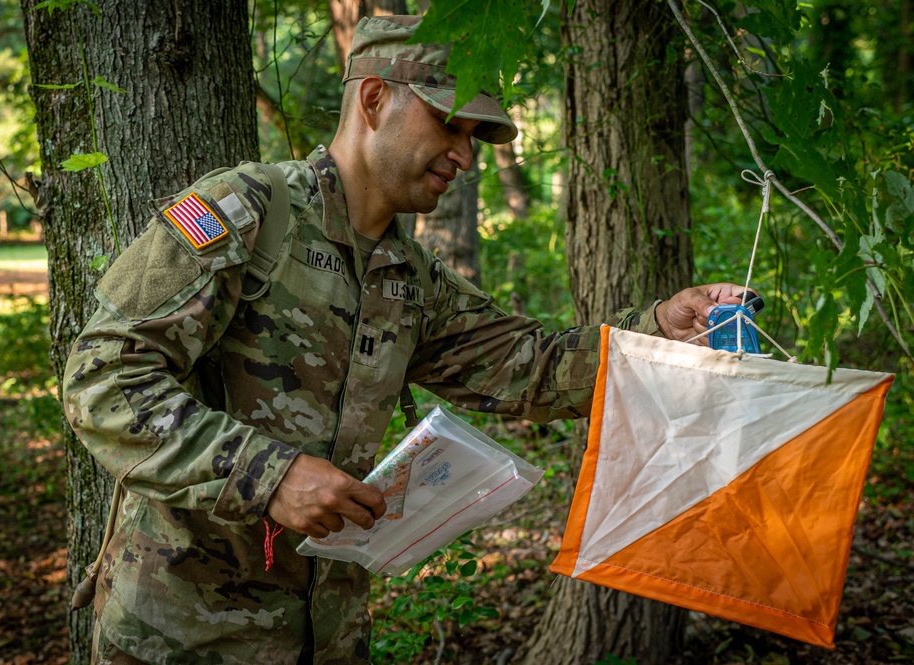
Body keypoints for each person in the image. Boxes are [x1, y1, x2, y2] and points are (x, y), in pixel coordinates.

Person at [62, 14, 747, 665]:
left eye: (474, 137)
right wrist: (267, 473)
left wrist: (659, 325)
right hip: (182, 636)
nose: (465, 157)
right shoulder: (245, 214)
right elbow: (101, 381)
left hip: (327, 638)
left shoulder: (409, 277)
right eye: (450, 124)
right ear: (372, 99)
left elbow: (530, 366)